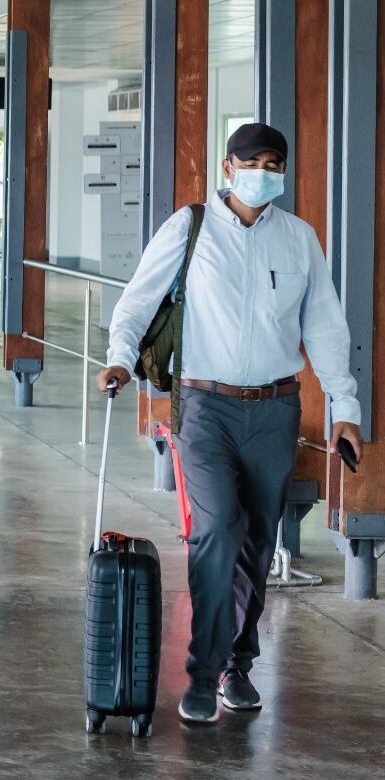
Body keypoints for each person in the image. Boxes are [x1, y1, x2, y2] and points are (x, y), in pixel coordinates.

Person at [96, 123, 363, 726]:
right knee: (216, 529)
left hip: (274, 409)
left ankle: (236, 666)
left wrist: (344, 409)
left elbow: (325, 327)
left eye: (274, 164)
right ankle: (200, 672)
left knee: (258, 543)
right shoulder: (190, 228)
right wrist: (118, 358)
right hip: (204, 406)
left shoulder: (299, 239)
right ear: (227, 167)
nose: (263, 173)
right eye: (252, 162)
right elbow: (139, 299)